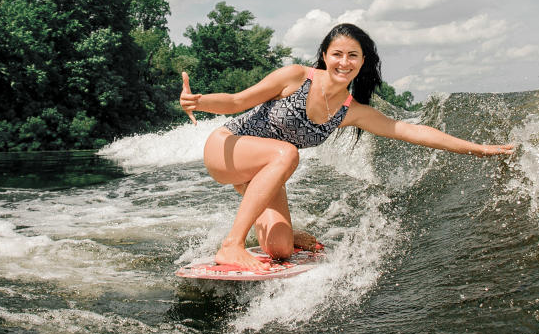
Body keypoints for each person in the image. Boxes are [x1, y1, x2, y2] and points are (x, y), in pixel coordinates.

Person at [179, 23, 514, 271]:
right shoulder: (296, 77)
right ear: (325, 56)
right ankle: (231, 245)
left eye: (352, 55)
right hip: (226, 148)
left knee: (279, 250)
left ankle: (283, 229)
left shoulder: (351, 111)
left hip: (264, 167)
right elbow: (238, 100)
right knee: (287, 153)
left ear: (362, 61)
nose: (343, 61)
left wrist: (478, 149)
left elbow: (412, 131)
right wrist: (199, 101)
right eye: (336, 54)